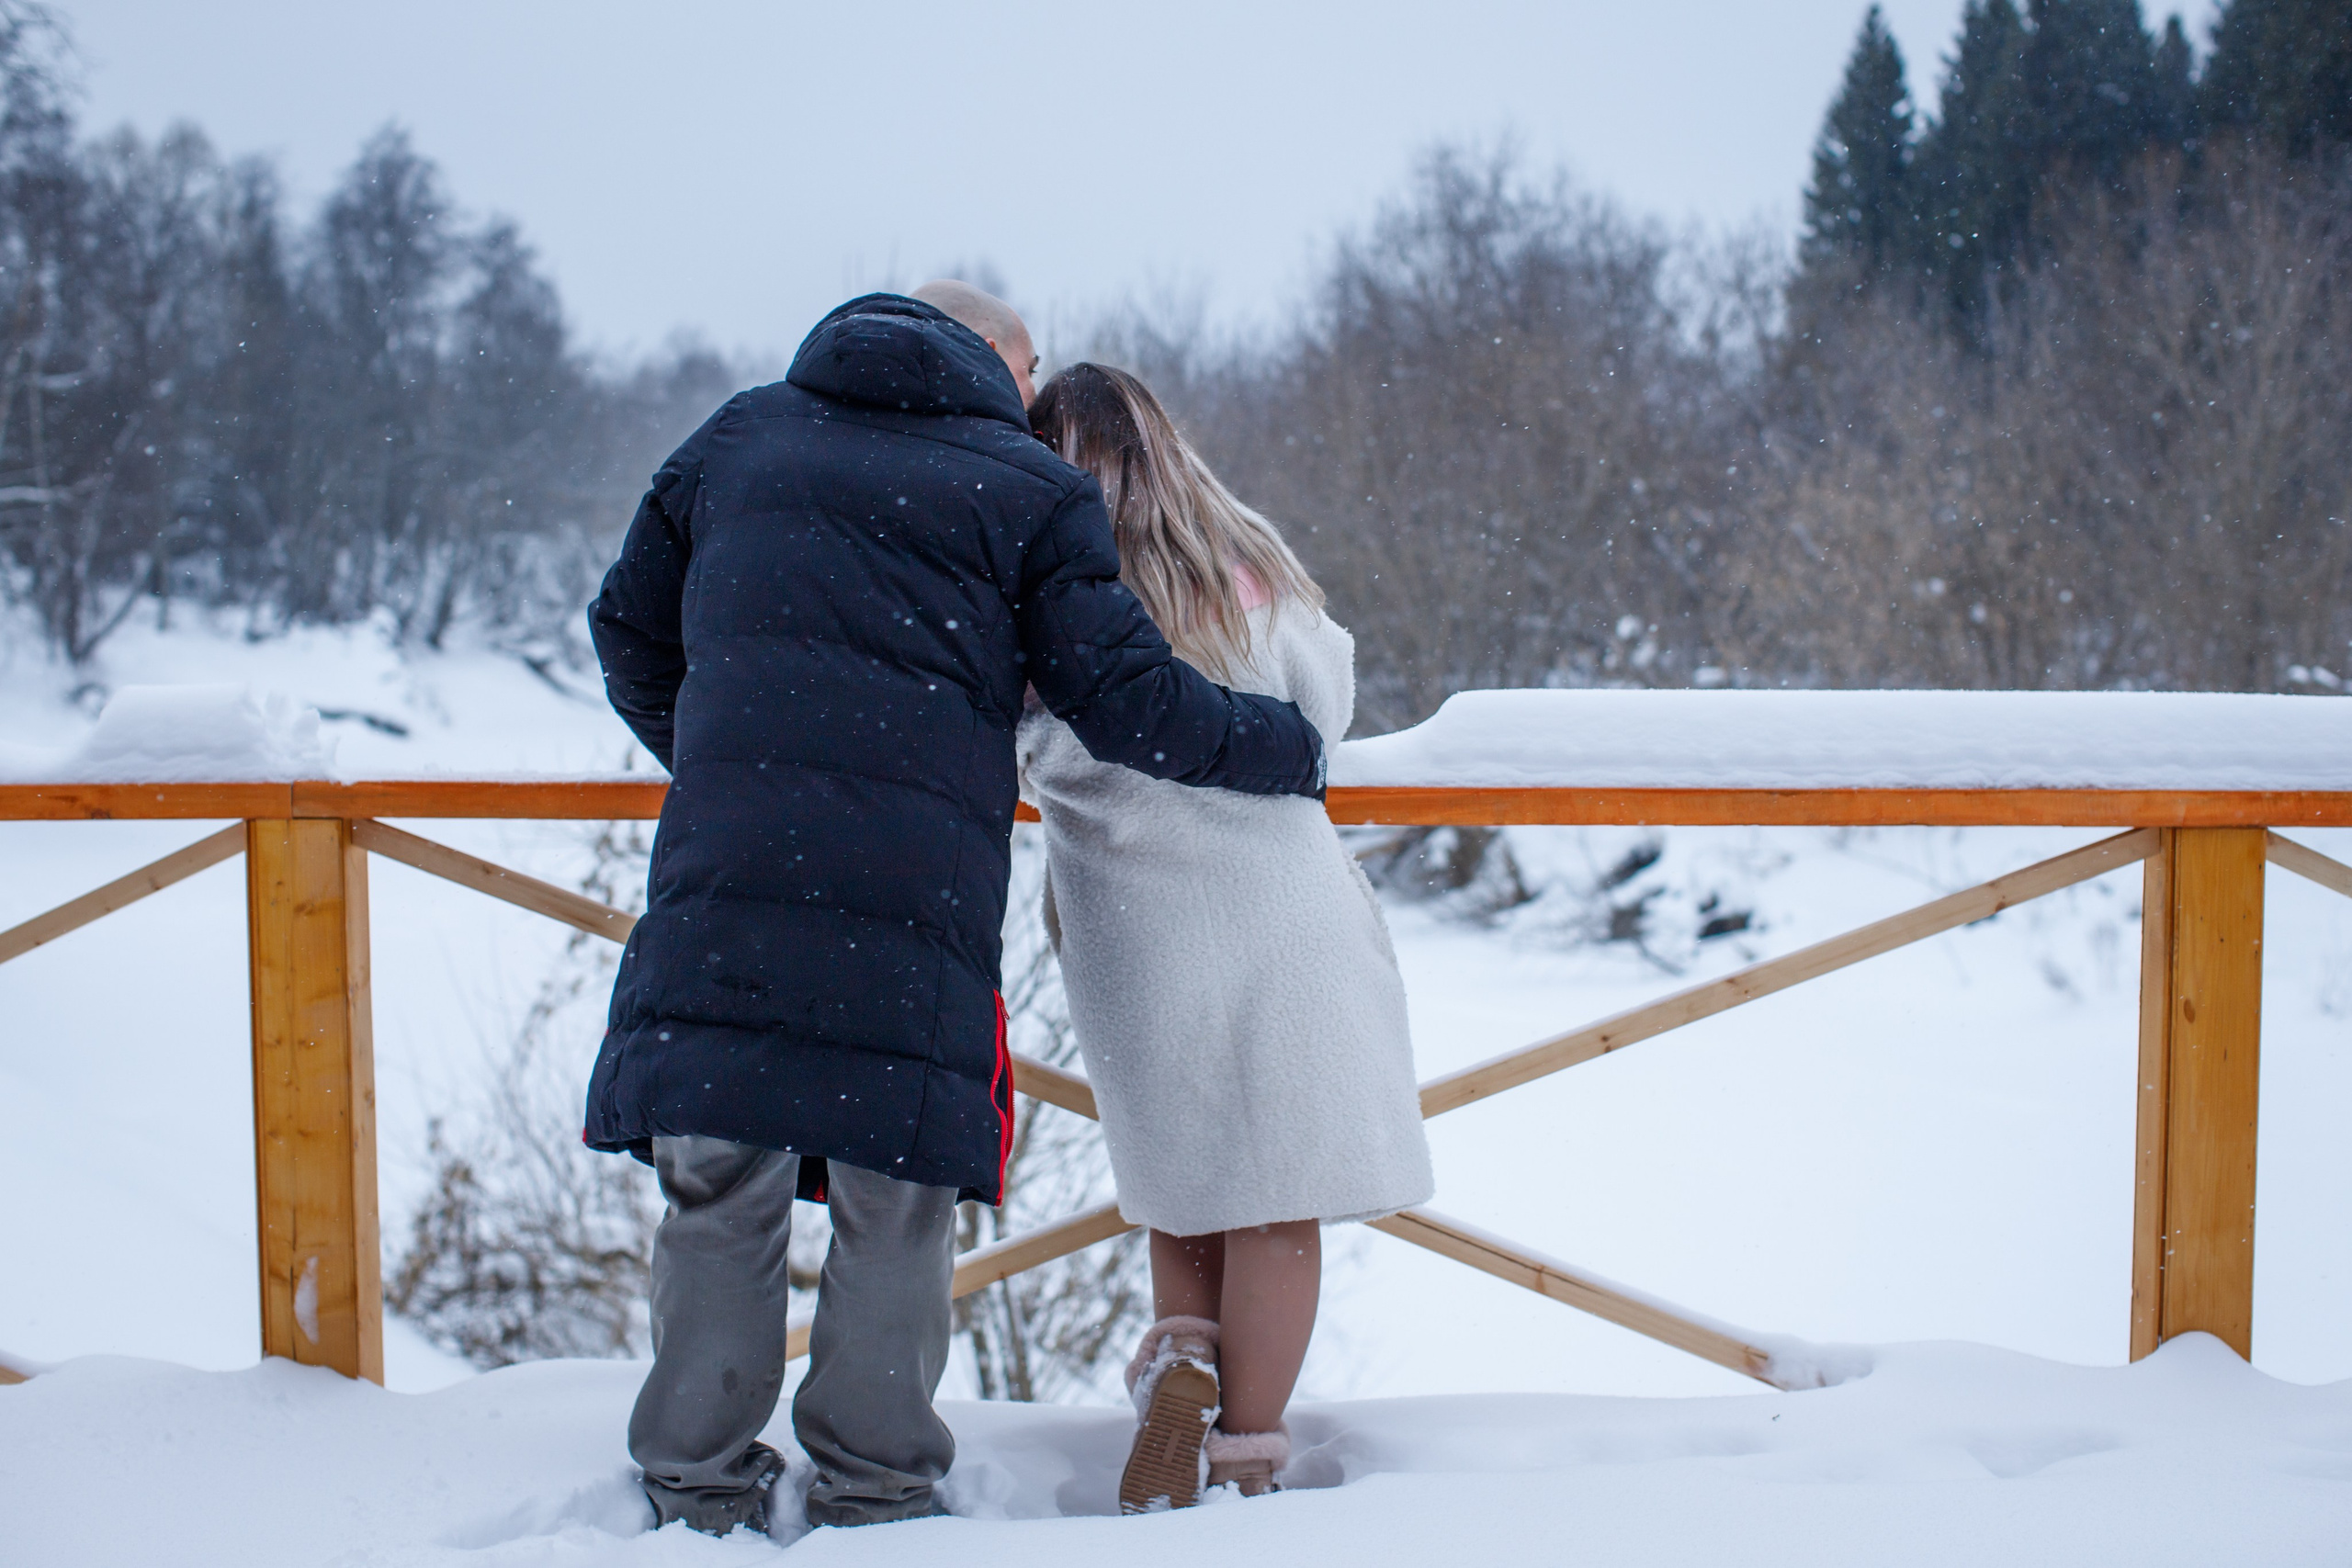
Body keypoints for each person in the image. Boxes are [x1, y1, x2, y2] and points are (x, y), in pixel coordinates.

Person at [582, 286, 1328, 1535]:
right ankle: (879, 1486)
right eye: (1027, 374)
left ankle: (695, 1485)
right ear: (991, 358)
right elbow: (1126, 695)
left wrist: (733, 761)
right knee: (895, 1189)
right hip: (911, 890)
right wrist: (1285, 745)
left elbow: (626, 632)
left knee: (720, 1179)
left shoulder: (735, 440)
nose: (1034, 404)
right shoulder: (1025, 488)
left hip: (726, 877)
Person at [1018, 363, 1434, 1511]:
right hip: (1275, 907)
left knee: (1183, 1180)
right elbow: (1324, 705)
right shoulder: (1234, 560)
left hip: (1127, 925)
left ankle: (1187, 1358)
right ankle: (1245, 1455)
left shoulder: (1036, 579)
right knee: (1279, 1192)